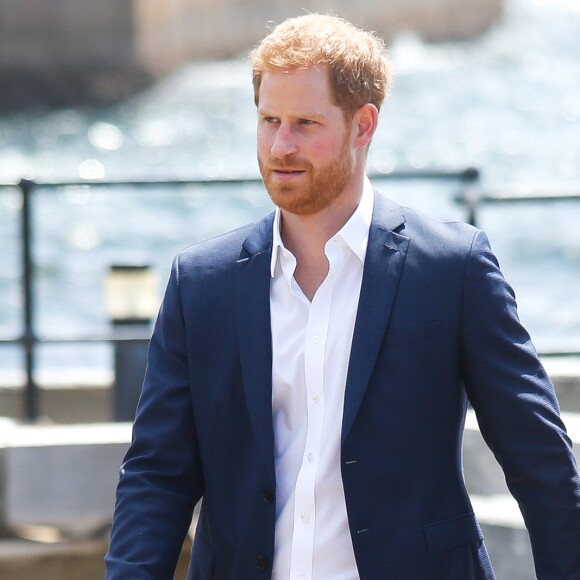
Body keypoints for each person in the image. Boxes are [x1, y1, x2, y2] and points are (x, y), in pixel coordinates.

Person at [105, 14, 580, 580]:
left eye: (305, 122)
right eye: (269, 120)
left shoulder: (452, 269)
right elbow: (158, 472)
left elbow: (539, 458)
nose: (282, 144)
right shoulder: (201, 283)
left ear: (363, 125)